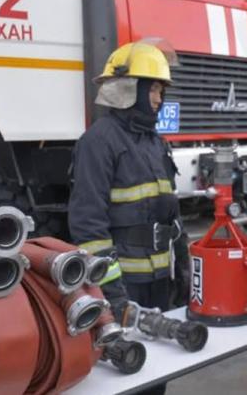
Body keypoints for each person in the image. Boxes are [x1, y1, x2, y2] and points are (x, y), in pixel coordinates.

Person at [68, 42, 189, 393]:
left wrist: (182, 268)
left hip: (158, 284)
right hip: (124, 288)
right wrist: (113, 294)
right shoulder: (98, 142)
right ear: (127, 88)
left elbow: (172, 215)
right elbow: (89, 228)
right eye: (153, 89)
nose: (159, 99)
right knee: (127, 379)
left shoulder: (155, 142)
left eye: (161, 91)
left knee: (158, 377)